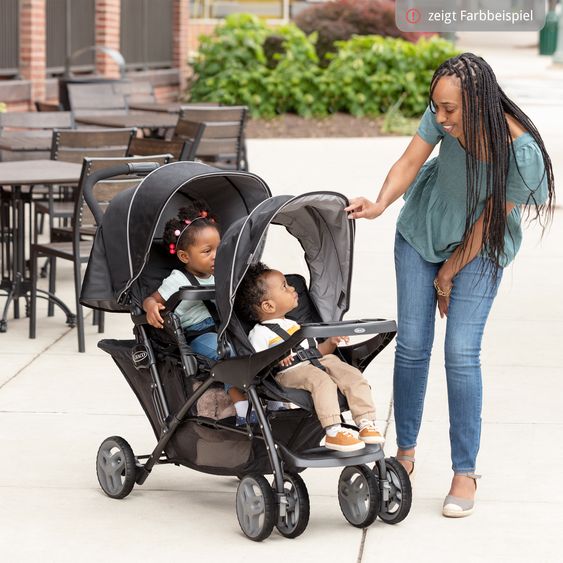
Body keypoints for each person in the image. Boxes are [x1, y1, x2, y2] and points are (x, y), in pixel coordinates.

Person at [345, 53, 554, 517]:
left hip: (480, 246)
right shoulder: (445, 113)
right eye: (435, 108)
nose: (440, 118)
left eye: (449, 111)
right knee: (413, 345)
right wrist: (380, 204)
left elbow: (488, 224)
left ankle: (465, 471)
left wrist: (448, 273)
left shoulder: (522, 151)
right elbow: (409, 160)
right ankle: (405, 453)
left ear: (478, 102)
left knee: (460, 352)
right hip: (423, 230)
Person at [235, 262, 385, 452]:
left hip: (317, 362)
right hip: (289, 372)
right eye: (285, 286)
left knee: (351, 374)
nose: (292, 288)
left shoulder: (295, 325)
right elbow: (256, 365)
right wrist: (273, 359)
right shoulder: (260, 333)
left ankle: (366, 421)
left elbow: (316, 352)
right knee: (321, 380)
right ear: (268, 305)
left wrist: (331, 343)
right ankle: (333, 430)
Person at [143, 202, 254, 425]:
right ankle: (242, 407)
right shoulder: (178, 280)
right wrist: (151, 307)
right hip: (196, 335)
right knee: (228, 353)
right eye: (207, 251)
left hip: (223, 329)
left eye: (219, 249)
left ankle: (268, 399)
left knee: (254, 346)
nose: (216, 256)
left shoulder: (222, 273)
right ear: (185, 256)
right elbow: (152, 299)